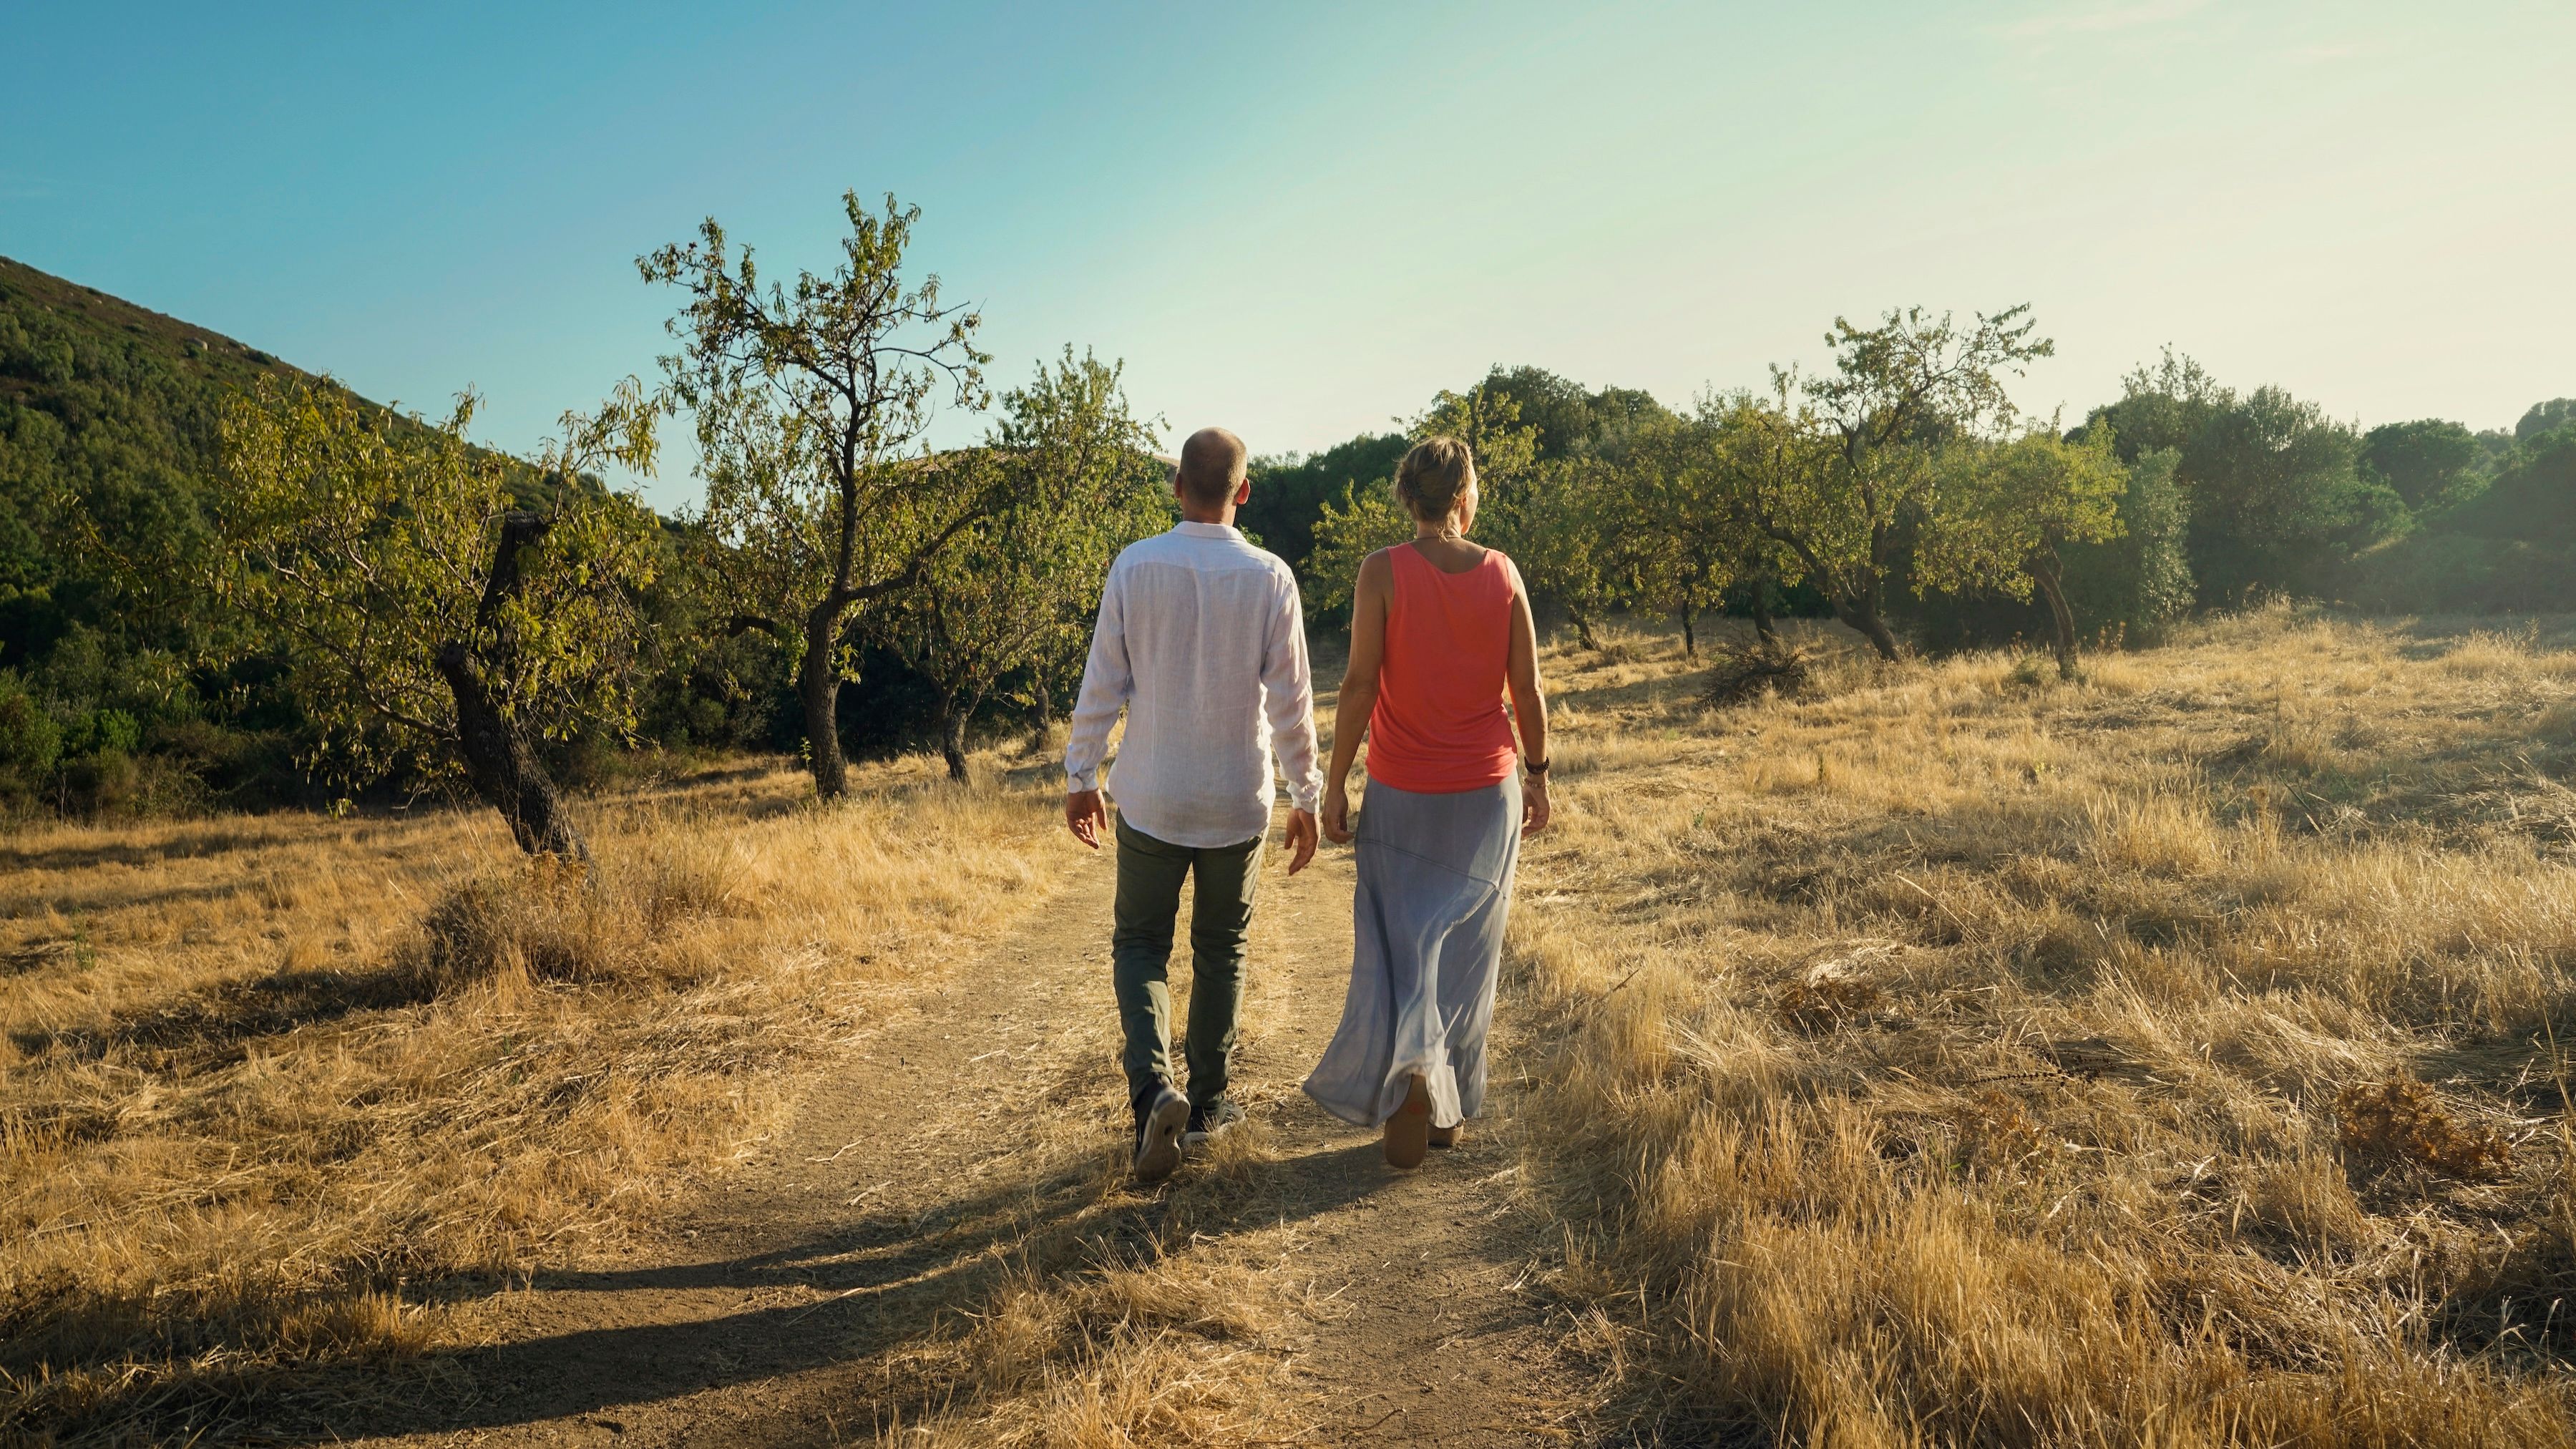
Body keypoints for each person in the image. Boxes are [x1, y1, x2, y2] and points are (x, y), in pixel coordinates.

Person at [1065, 426, 1322, 1185]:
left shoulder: (1134, 566)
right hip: (1235, 802)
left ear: (1177, 484)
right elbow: (1293, 706)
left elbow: (1103, 683)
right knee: (1222, 950)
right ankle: (1209, 1105)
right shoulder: (1272, 578)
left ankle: (1152, 1092)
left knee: (1141, 946)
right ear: (1243, 492)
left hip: (1151, 795)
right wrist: (1306, 795)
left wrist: (1082, 773)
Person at [1304, 436, 1551, 1169]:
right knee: (1469, 953)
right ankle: (1444, 1108)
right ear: (1467, 499)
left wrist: (1335, 780)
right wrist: (1538, 773)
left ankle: (1407, 1075)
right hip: (1485, 795)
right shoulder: (1503, 573)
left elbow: (1357, 686)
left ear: (1406, 500)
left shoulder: (1380, 571)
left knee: (1401, 945)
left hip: (1403, 792)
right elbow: (1527, 690)